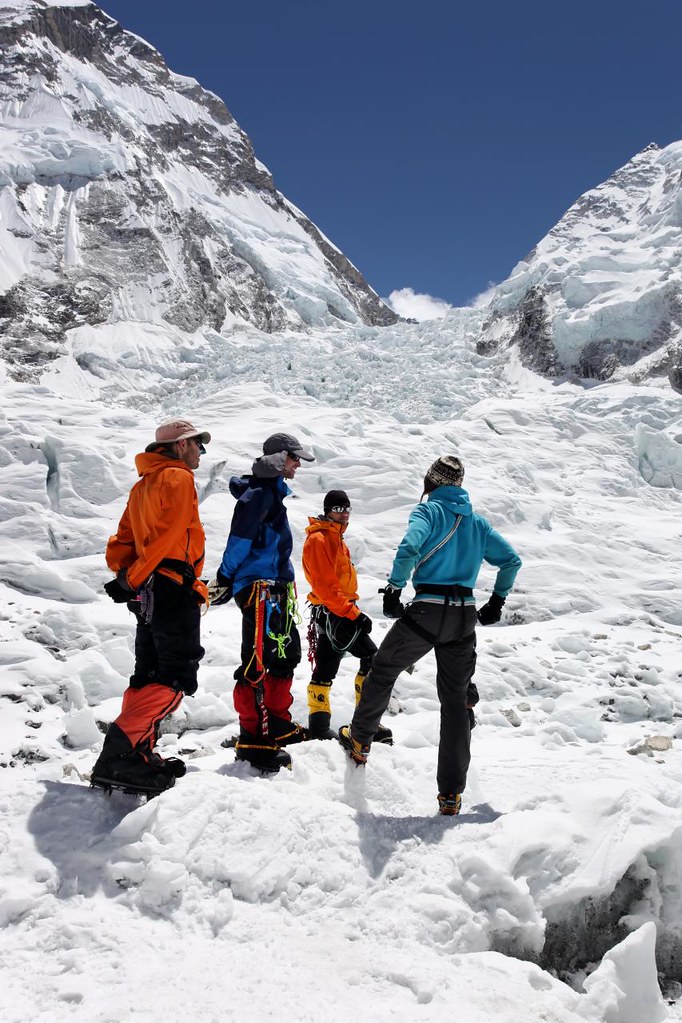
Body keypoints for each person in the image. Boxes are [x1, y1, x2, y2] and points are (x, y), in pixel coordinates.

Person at [339, 455, 521, 816]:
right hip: (463, 616)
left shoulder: (428, 513)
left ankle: (360, 741)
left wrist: (394, 589)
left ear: (430, 482)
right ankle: (451, 796)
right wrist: (496, 601)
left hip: (427, 609)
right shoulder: (478, 523)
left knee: (384, 668)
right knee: (455, 702)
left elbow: (410, 548)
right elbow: (511, 560)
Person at [91, 419, 210, 795]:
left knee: (149, 673)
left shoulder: (143, 485)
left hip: (149, 590)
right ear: (179, 446)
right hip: (171, 585)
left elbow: (122, 539)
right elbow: (170, 535)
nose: (200, 452)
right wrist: (134, 577)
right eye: (196, 445)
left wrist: (127, 575)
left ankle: (137, 756)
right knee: (176, 675)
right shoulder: (177, 478)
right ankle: (118, 758)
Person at [210, 432, 314, 773]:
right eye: (295, 458)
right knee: (256, 660)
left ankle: (277, 724)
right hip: (258, 588)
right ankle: (253, 738)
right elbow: (239, 541)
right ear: (279, 458)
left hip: (275, 587)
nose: (298, 464)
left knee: (283, 655)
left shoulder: (271, 494)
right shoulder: (257, 496)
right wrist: (225, 577)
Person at [302, 489, 392, 743]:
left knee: (326, 667)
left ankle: (320, 727)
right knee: (371, 658)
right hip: (335, 612)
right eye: (338, 509)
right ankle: (366, 724)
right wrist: (353, 614)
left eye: (346, 509)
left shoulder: (335, 539)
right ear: (328, 510)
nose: (343, 514)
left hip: (334, 611)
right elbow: (325, 586)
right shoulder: (320, 539)